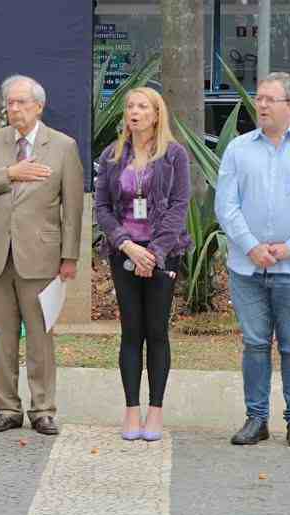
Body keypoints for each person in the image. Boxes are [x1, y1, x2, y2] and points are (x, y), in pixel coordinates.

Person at [215, 72, 290, 449]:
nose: (261, 105)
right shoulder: (237, 149)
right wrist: (252, 246)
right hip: (247, 267)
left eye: (270, 99)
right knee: (254, 343)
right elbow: (226, 205)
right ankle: (256, 419)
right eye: (259, 98)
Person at [0, 74, 84, 436]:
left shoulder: (63, 146)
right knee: (0, 336)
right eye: (9, 103)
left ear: (39, 106)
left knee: (40, 338)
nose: (13, 109)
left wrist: (69, 257)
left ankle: (42, 408)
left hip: (42, 257)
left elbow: (73, 209)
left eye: (21, 103)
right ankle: (6, 407)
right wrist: (10, 174)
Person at [94, 87, 191, 442]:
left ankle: (156, 410)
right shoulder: (111, 155)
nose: (135, 112)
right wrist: (127, 246)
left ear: (156, 114)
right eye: (130, 106)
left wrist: (155, 253)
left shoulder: (174, 155)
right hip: (125, 253)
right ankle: (131, 410)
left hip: (163, 253)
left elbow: (179, 207)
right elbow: (102, 208)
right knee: (131, 332)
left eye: (142, 107)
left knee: (157, 331)